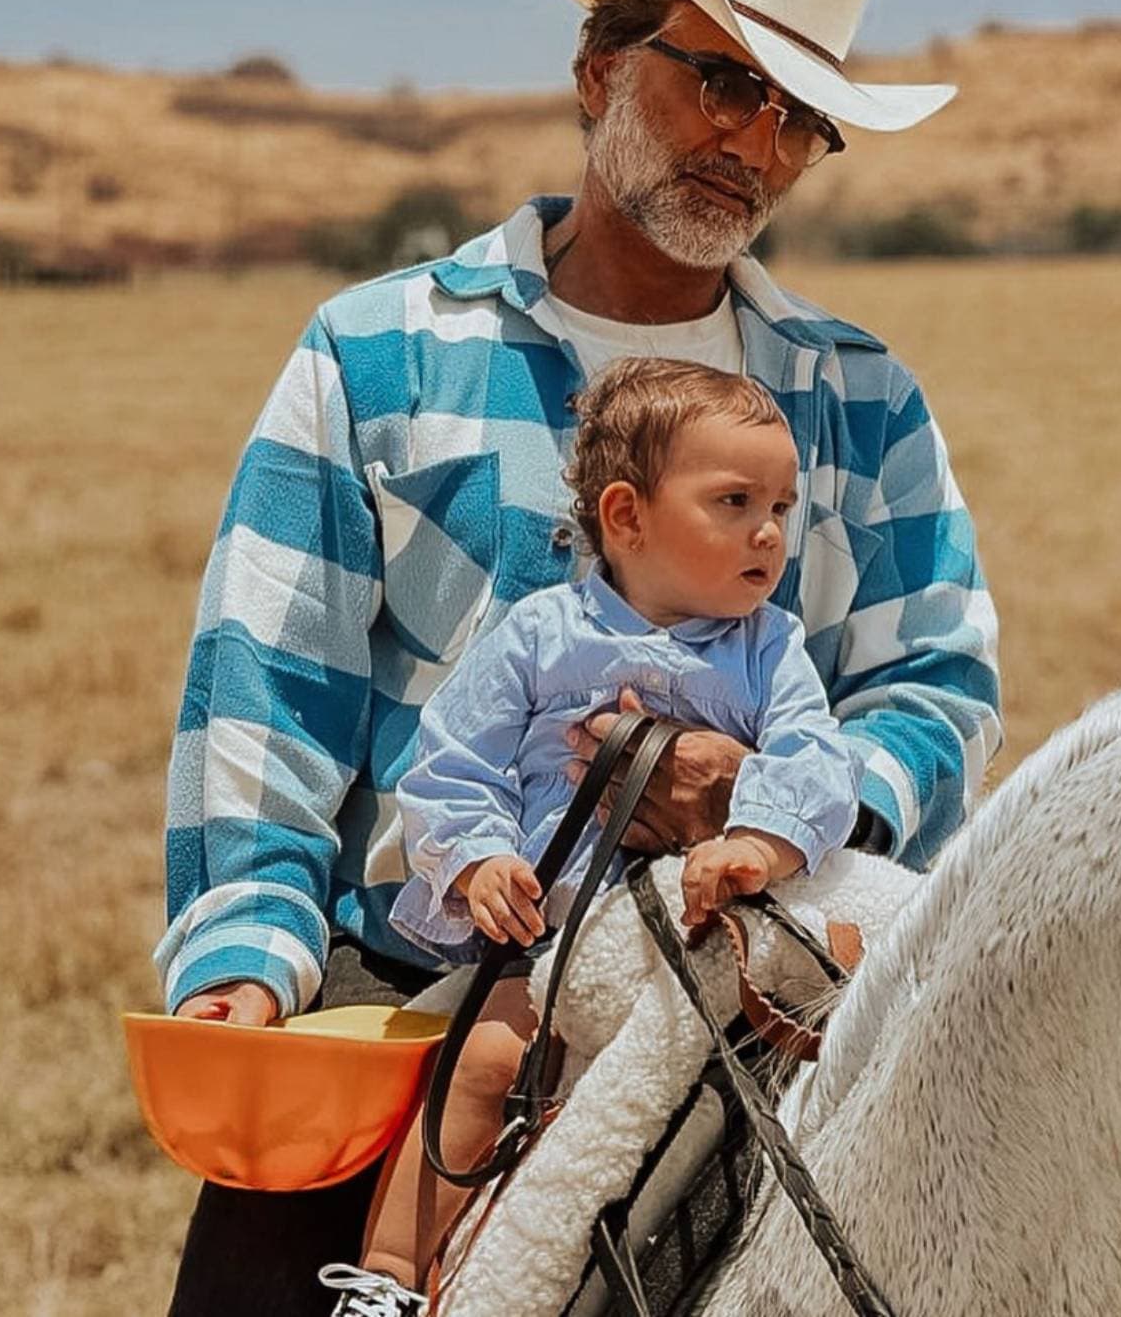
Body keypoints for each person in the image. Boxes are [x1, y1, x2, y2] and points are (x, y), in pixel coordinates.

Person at [158, 0, 1002, 1317]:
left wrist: (775, 803)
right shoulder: (376, 353)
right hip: (416, 973)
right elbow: (267, 696)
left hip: (747, 1002)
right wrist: (247, 955)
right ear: (601, 68)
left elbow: (937, 684)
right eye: (722, 83)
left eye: (799, 119)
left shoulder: (863, 399)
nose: (755, 144)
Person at [316, 357, 860, 1316]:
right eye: (735, 501)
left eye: (781, 505)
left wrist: (760, 841)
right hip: (553, 948)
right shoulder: (540, 635)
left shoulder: (769, 647)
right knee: (483, 1061)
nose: (770, 532)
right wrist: (478, 860)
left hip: (699, 949)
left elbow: (819, 761)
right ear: (626, 516)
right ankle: (390, 1275)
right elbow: (450, 765)